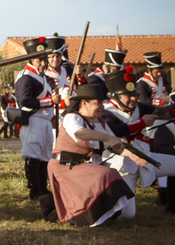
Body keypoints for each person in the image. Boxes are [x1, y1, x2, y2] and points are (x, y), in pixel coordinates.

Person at [101, 68, 175, 217]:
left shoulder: (139, 108)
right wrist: (141, 123)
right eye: (127, 95)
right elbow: (113, 132)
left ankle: (173, 205)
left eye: (134, 96)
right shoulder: (105, 112)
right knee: (127, 215)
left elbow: (163, 112)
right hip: (122, 166)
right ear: (115, 95)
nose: (132, 99)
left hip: (145, 158)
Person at [47, 83, 135, 226]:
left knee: (106, 173)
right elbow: (79, 133)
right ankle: (90, 217)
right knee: (106, 174)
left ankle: (101, 215)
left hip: (81, 167)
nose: (102, 106)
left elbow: (115, 146)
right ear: (84, 104)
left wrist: (132, 155)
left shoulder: (99, 122)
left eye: (102, 102)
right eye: (98, 103)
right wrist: (108, 138)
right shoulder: (72, 118)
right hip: (64, 167)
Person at [14, 37, 57, 219]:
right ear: (32, 59)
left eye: (44, 60)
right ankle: (34, 190)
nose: (43, 63)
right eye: (40, 60)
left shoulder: (42, 77)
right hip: (33, 121)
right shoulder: (26, 77)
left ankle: (42, 187)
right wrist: (49, 101)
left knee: (44, 156)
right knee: (33, 155)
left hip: (45, 121)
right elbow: (24, 101)